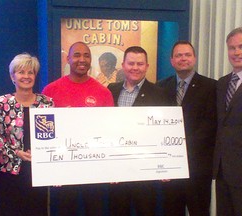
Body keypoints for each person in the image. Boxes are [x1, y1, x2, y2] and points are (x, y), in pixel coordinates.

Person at [42, 41, 114, 215]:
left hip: (95, 170)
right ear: (68, 59)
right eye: (77, 55)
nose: (82, 59)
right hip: (63, 171)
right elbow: (44, 133)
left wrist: (112, 167)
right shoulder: (50, 91)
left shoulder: (103, 92)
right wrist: (50, 169)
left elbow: (111, 132)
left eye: (86, 55)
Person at [107, 46, 169, 216]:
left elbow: (166, 132)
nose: (135, 67)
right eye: (131, 63)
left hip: (145, 172)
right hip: (117, 171)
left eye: (140, 64)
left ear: (147, 66)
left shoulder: (160, 94)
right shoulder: (110, 90)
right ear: (123, 65)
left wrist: (168, 166)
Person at [157, 41, 217, 216]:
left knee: (199, 211)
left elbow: (210, 125)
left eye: (187, 55)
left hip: (197, 168)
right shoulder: (160, 87)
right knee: (171, 210)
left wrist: (180, 147)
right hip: (169, 169)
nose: (183, 58)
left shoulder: (211, 87)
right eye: (178, 55)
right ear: (172, 60)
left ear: (194, 58)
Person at [0, 53, 54, 216]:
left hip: (37, 170)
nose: (26, 76)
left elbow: (53, 137)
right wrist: (15, 153)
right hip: (10, 171)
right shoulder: (2, 103)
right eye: (21, 72)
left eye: (30, 72)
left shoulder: (47, 103)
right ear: (13, 76)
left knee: (36, 211)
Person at [213, 27, 242, 216]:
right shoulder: (222, 83)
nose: (236, 52)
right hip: (222, 169)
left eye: (241, 47)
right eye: (232, 48)